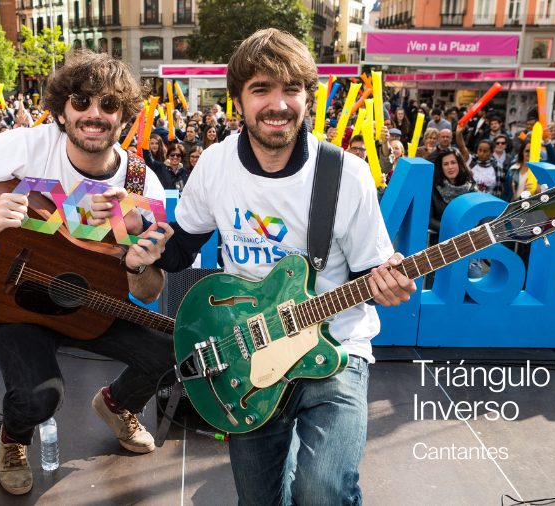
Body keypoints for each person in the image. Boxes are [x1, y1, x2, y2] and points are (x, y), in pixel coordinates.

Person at [152, 29, 415, 506]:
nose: (279, 104)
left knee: (321, 492)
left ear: (308, 98)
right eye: (261, 89)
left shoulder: (345, 174)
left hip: (334, 345)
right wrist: (143, 239)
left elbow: (369, 273)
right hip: (243, 351)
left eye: (291, 89)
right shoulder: (214, 164)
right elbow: (181, 249)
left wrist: (385, 285)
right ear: (237, 101)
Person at [0, 50, 176, 497]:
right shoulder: (24, 146)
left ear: (125, 117)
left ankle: (116, 404)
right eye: (81, 101)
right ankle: (14, 439)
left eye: (109, 105)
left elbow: (149, 292)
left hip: (87, 304)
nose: (94, 114)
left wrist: (136, 260)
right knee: (39, 396)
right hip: (10, 296)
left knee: (171, 350)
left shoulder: (142, 186)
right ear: (61, 109)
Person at [429, 148, 477, 236]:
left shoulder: (471, 188)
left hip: (466, 241)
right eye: (446, 164)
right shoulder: (433, 188)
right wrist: (453, 230)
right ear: (441, 167)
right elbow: (429, 220)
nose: (450, 167)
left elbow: (476, 217)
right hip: (440, 240)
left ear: (460, 164)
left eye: (453, 162)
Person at [456, 124, 505, 199]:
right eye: (480, 150)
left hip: (489, 201)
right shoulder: (472, 161)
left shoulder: (497, 166)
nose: (481, 154)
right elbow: (462, 148)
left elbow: (500, 189)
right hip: (471, 200)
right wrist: (459, 134)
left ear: (491, 153)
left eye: (485, 151)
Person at [502, 137, 539, 202]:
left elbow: (553, 160)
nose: (530, 153)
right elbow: (506, 191)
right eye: (527, 150)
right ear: (522, 152)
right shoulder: (513, 169)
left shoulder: (538, 171)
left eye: (532, 150)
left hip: (530, 206)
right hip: (514, 205)